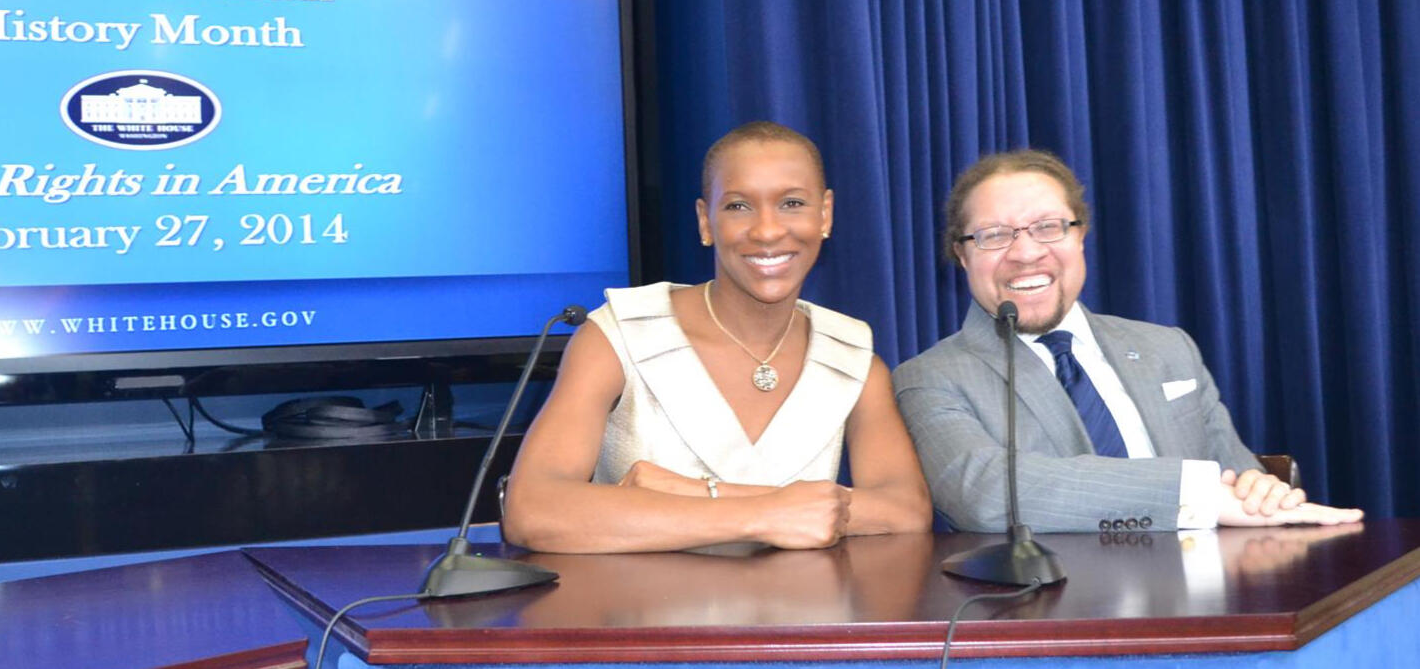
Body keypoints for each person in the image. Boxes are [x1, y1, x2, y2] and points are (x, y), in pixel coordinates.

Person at [501, 121, 932, 553]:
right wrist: (765, 515)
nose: (766, 230)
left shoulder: (850, 354)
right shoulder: (618, 335)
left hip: (801, 617)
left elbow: (906, 512)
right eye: (739, 207)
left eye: (792, 203)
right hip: (643, 614)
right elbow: (532, 509)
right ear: (705, 221)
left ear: (825, 215)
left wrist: (697, 492)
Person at [892, 150, 1363, 533]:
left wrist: (1260, 494)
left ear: (1080, 236)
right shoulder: (929, 379)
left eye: (1047, 227)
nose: (1026, 252)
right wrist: (1189, 493)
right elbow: (986, 493)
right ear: (961, 254)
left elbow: (1237, 478)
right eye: (994, 235)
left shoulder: (1169, 349)